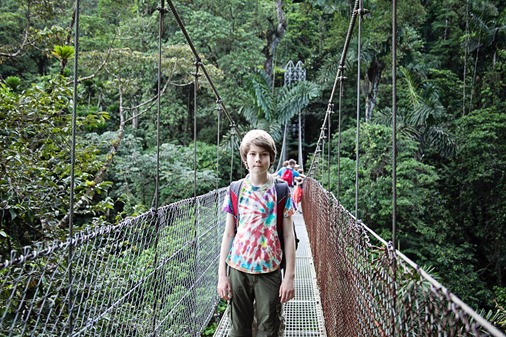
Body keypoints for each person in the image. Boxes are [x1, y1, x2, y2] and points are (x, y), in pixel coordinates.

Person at [217, 129, 296, 337]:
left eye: (263, 154)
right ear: (245, 158)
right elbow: (228, 234)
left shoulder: (282, 190)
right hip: (238, 269)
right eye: (252, 154)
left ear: (271, 158)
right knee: (238, 330)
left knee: (268, 330)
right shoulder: (234, 189)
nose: (258, 159)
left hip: (269, 271)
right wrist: (222, 276)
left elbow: (288, 236)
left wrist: (289, 277)